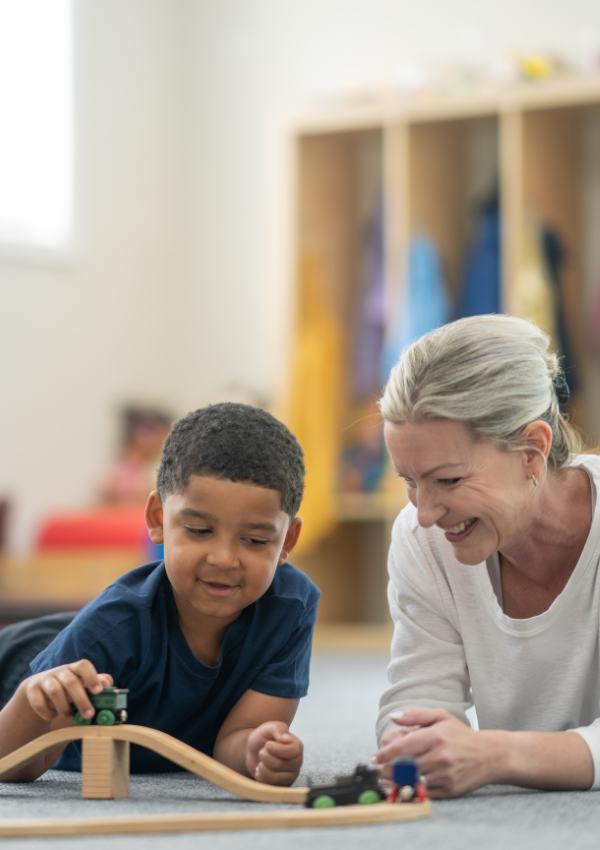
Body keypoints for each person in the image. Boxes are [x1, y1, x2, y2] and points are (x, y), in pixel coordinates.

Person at [0, 403, 319, 787]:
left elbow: (237, 736)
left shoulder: (291, 608)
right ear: (157, 518)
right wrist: (29, 700)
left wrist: (256, 749)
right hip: (21, 669)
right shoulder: (112, 626)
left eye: (254, 540)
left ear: (288, 541)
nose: (223, 559)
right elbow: (16, 765)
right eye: (199, 530)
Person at [372, 314, 600, 798]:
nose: (427, 513)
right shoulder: (420, 539)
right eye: (409, 480)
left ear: (532, 451)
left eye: (449, 480)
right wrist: (415, 748)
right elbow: (415, 703)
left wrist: (498, 755)